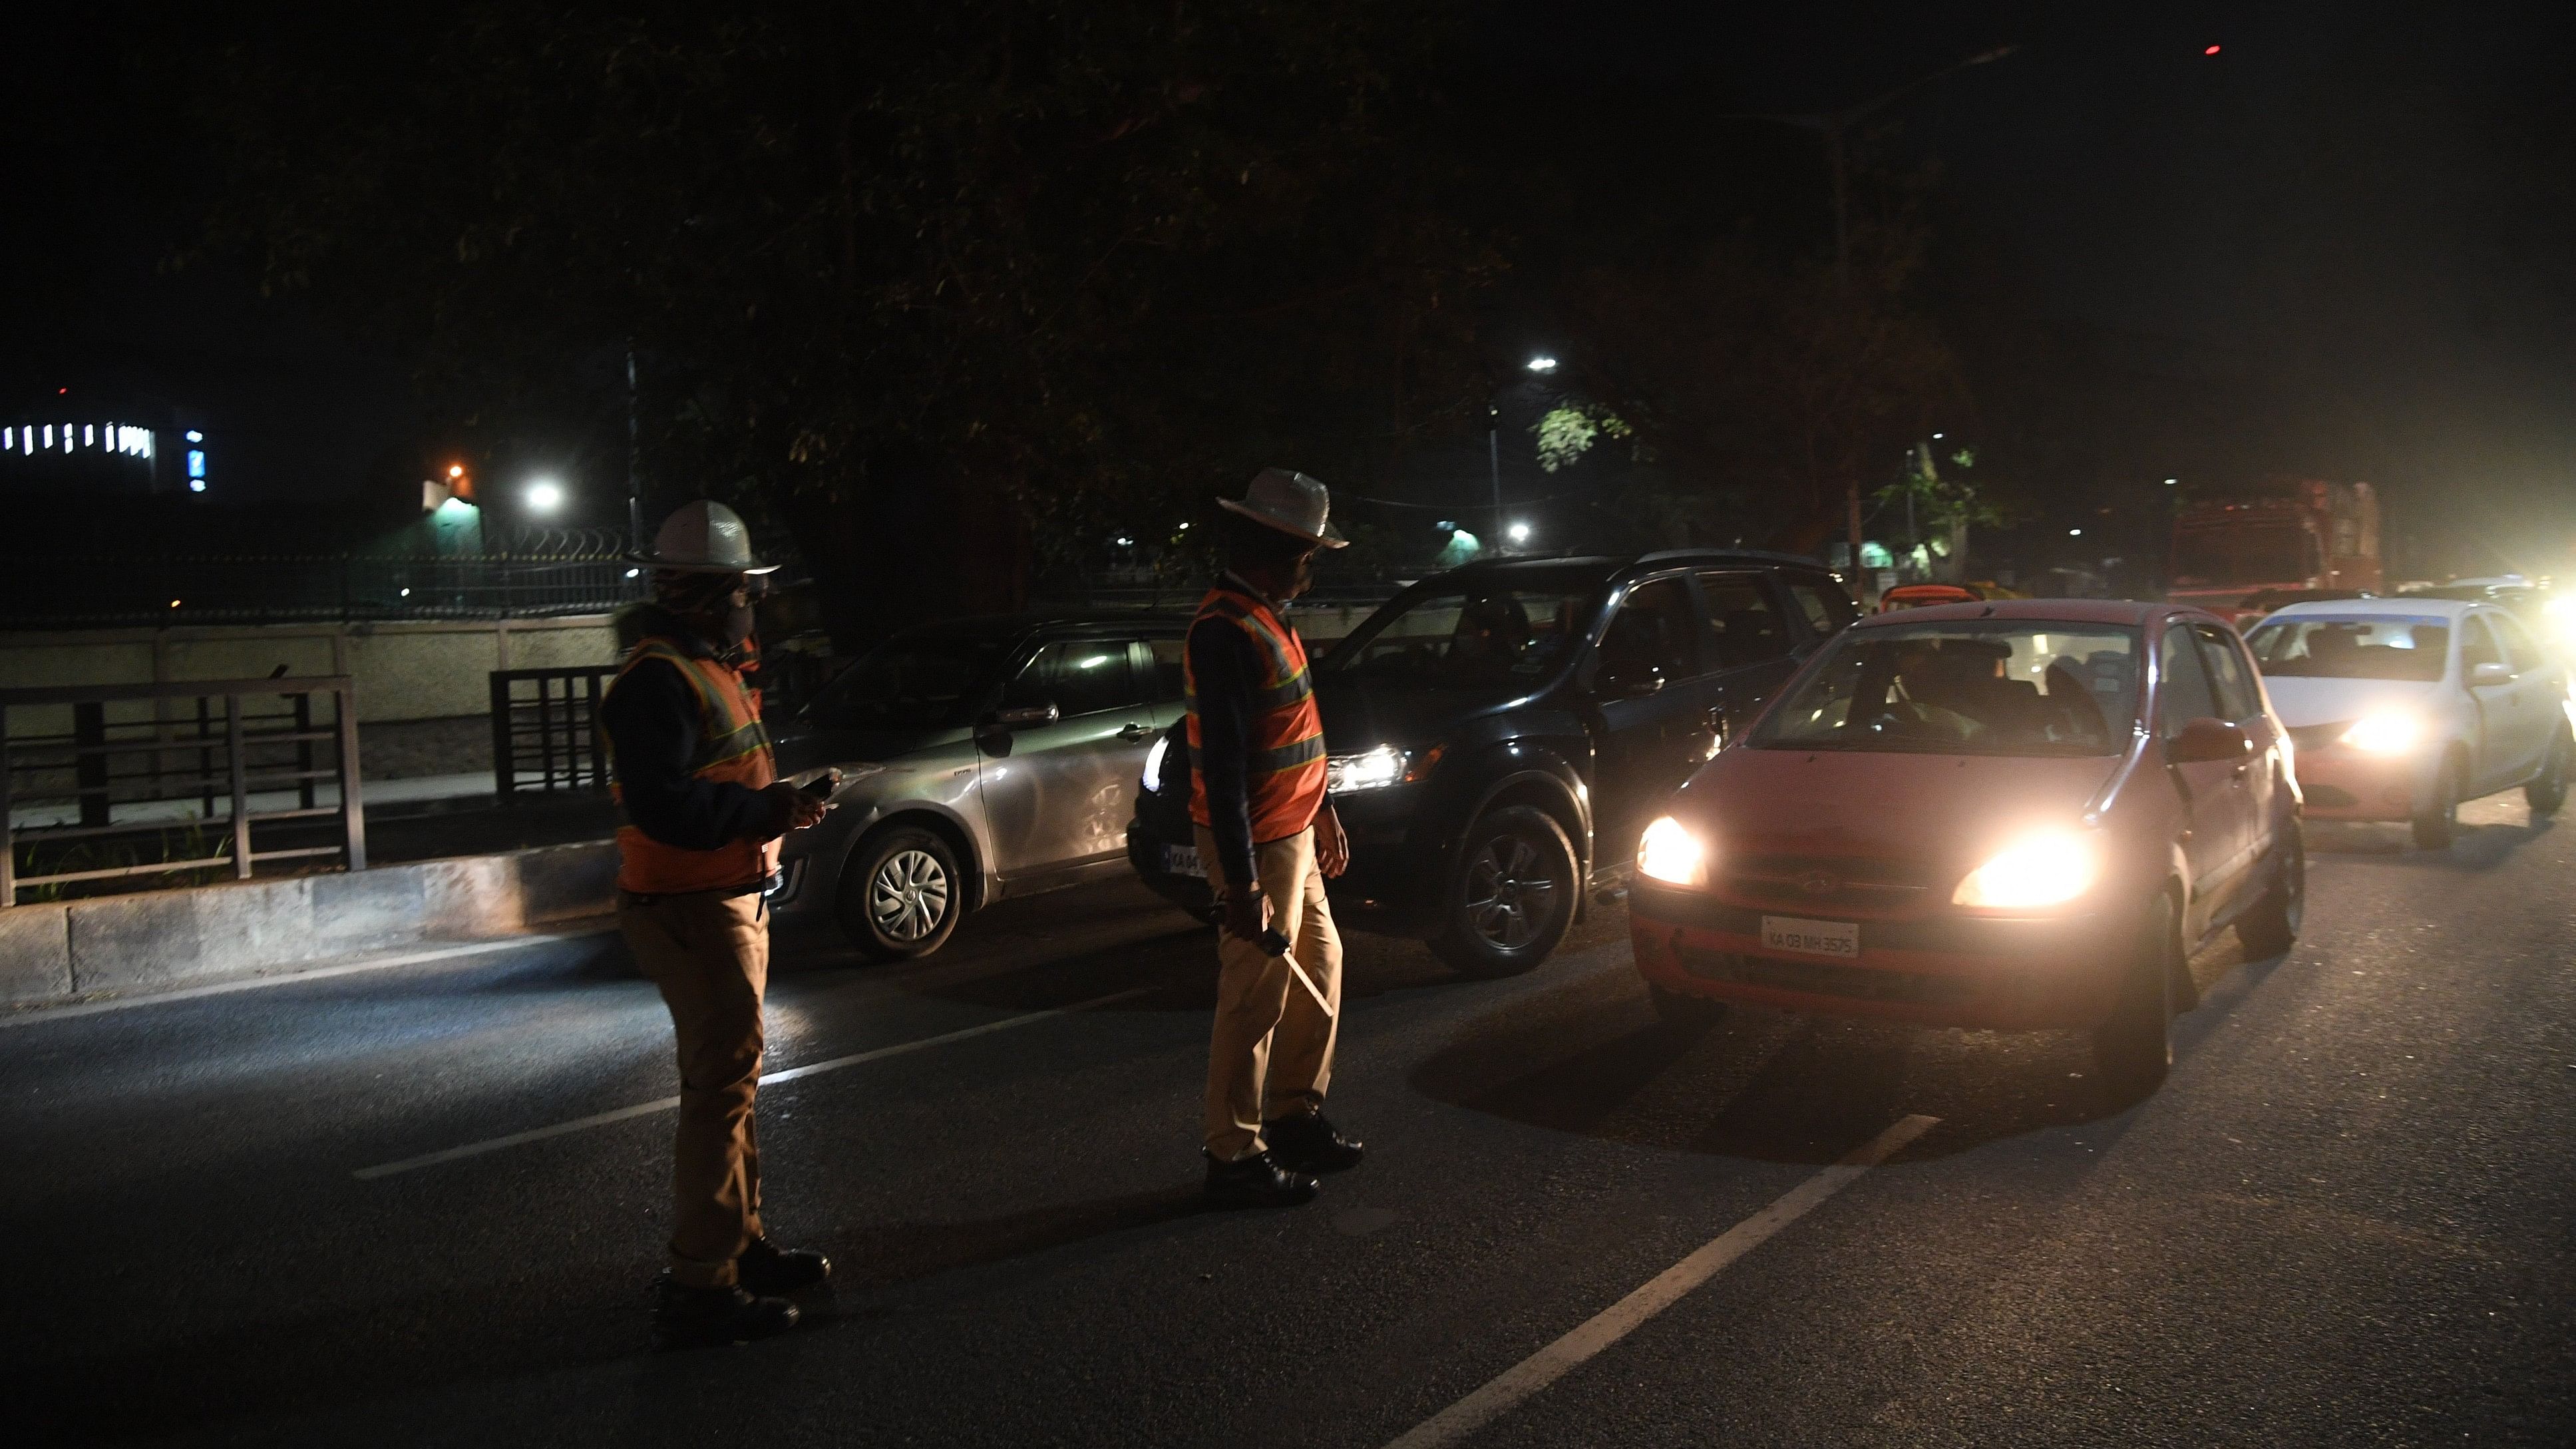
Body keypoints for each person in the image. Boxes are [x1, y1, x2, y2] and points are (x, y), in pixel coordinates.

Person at [600, 500, 836, 1349]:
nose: (755, 606)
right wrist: (760, 808)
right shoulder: (657, 679)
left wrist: (776, 807)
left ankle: (739, 1244)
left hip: (722, 896)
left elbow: (714, 779)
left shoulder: (706, 665)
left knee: (734, 1085)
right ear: (713, 594)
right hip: (689, 907)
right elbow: (665, 805)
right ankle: (701, 1283)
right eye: (746, 592)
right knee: (718, 1093)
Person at [1188, 469, 1364, 1208]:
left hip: (1289, 829)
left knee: (1321, 968)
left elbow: (1289, 734)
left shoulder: (1267, 614)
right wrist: (1240, 885)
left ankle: (1294, 1111)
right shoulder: (1226, 628)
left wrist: (1319, 807)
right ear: (1275, 547)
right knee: (1254, 997)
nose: (1312, 565)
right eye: (1307, 552)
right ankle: (1233, 1153)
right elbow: (1225, 768)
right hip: (1258, 843)